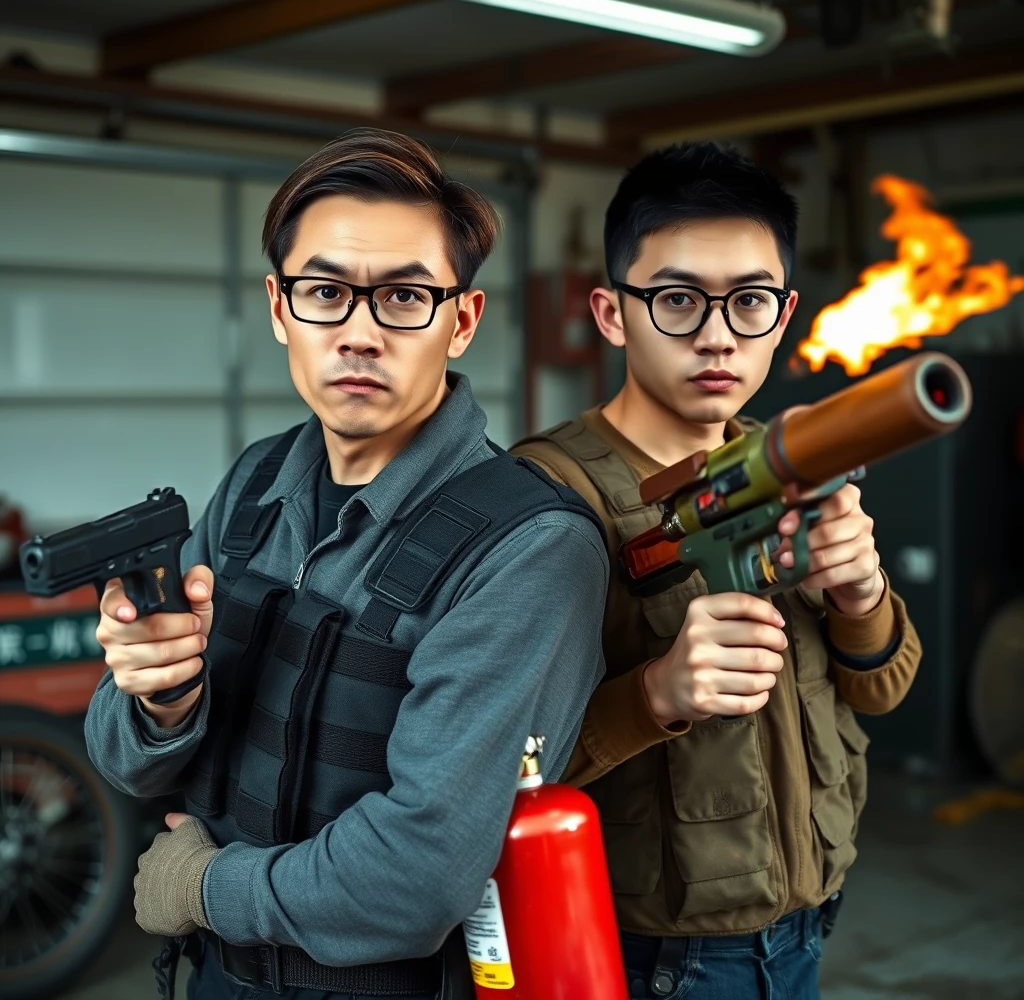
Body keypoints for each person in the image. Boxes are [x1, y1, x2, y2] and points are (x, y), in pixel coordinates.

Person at [84, 128, 609, 1000]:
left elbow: (421, 873)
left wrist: (206, 889)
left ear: (462, 321)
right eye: (325, 291)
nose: (360, 333)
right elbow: (125, 757)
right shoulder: (256, 483)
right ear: (282, 309)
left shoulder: (529, 549)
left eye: (405, 296)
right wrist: (162, 698)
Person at [512, 142, 923, 1000]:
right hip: (650, 955)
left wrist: (861, 598)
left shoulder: (785, 458)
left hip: (806, 920)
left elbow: (880, 691)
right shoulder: (543, 496)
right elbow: (488, 762)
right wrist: (656, 693)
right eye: (676, 300)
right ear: (612, 312)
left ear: (785, 313)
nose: (716, 335)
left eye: (750, 303)